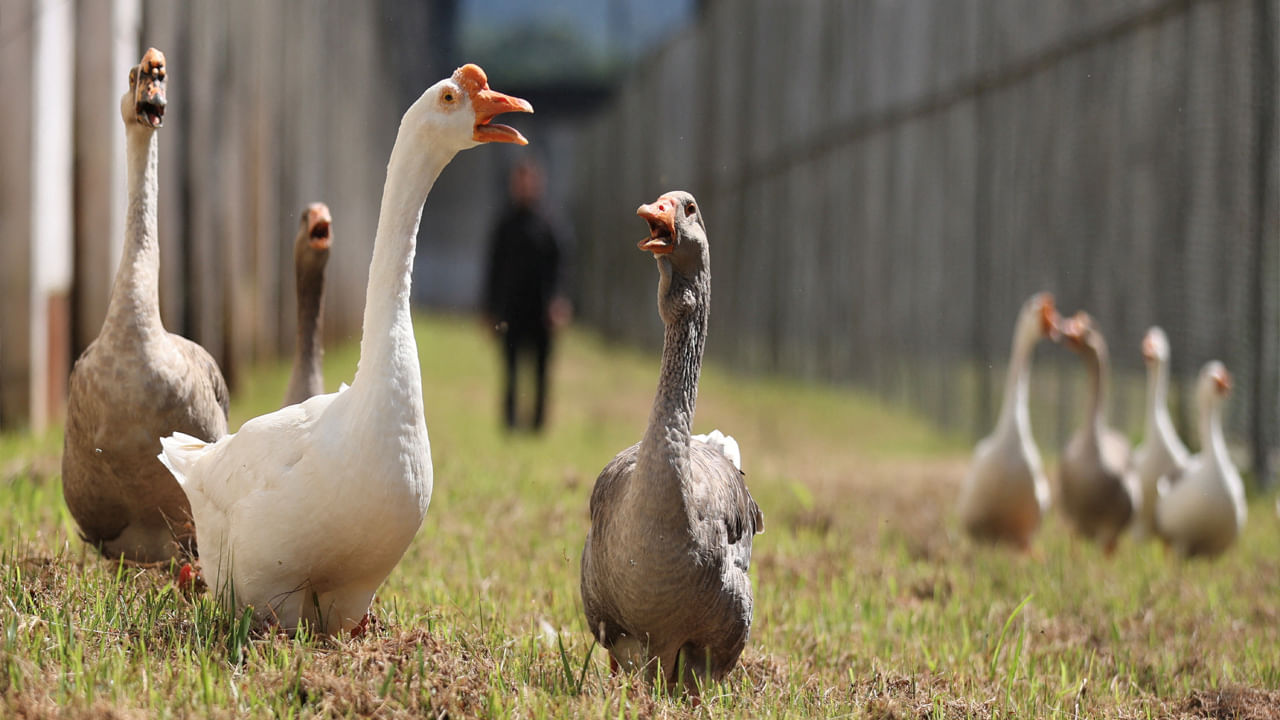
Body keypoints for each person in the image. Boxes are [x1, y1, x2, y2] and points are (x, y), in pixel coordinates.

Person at [483, 159, 570, 432]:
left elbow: (562, 267)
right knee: (510, 371)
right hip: (511, 312)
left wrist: (559, 302)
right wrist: (488, 308)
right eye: (519, 181)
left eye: (529, 180)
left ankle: (537, 424)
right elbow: (492, 268)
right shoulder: (504, 224)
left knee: (541, 372)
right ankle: (509, 422)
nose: (524, 186)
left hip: (541, 312)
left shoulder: (550, 223)